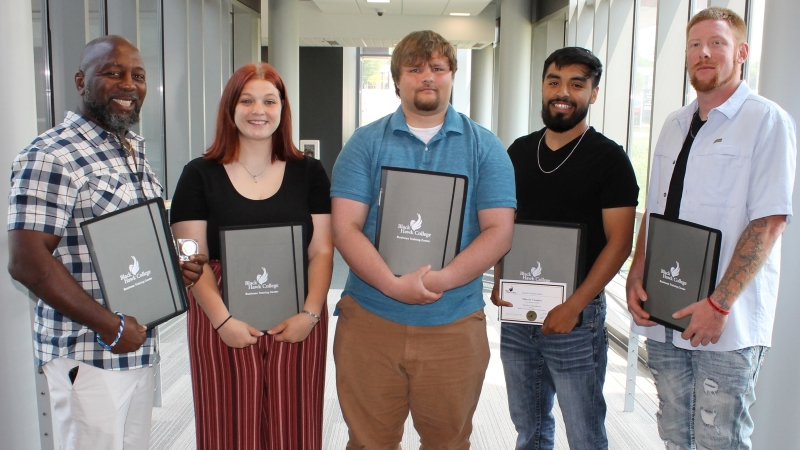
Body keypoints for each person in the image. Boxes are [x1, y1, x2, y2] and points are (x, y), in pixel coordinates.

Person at [7, 35, 205, 450]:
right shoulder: (51, 154)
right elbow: (27, 260)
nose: (129, 85)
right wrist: (108, 325)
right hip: (88, 351)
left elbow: (129, 242)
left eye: (138, 76)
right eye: (112, 73)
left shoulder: (130, 151)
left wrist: (174, 269)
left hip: (135, 348)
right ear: (81, 81)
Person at [330, 30, 516, 449]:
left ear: (452, 75)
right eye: (414, 69)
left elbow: (499, 231)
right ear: (397, 80)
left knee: (448, 442)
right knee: (368, 442)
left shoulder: (486, 147)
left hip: (453, 324)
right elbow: (345, 228)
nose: (426, 77)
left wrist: (441, 281)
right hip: (371, 320)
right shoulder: (364, 143)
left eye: (437, 68)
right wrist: (394, 285)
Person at [626, 7, 796, 449]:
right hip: (666, 310)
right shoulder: (673, 124)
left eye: (717, 43)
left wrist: (719, 305)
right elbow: (656, 208)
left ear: (741, 52)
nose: (704, 53)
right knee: (674, 435)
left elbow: (769, 221)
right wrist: (636, 271)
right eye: (694, 45)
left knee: (718, 439)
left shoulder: (767, 121)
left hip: (726, 323)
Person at [169, 62, 333, 450]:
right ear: (231, 107)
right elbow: (192, 259)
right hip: (219, 310)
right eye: (247, 100)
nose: (259, 110)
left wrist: (310, 314)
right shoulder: (197, 175)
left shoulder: (310, 172)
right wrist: (222, 320)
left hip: (298, 309)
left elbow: (322, 249)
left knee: (293, 426)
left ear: (282, 109)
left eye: (269, 100)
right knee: (227, 427)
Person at [490, 47, 638, 450]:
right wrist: (501, 279)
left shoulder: (610, 159)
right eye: (554, 81)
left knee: (585, 433)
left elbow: (620, 242)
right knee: (530, 428)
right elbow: (505, 225)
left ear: (593, 93)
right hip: (520, 312)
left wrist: (573, 307)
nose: (563, 92)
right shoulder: (519, 152)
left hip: (578, 317)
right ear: (542, 86)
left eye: (577, 84)